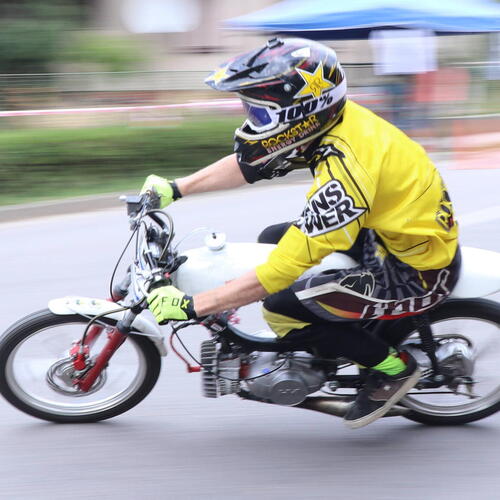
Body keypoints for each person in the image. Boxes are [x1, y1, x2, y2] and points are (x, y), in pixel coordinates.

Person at [142, 38, 461, 429]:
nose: (252, 121)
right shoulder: (333, 120)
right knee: (272, 236)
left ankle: (395, 369)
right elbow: (250, 163)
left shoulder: (346, 178)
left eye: (260, 113)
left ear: (301, 112)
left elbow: (280, 271)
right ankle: (339, 338)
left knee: (281, 308)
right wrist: (176, 188)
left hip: (415, 270)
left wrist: (195, 305)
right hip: (386, 234)